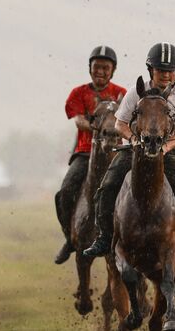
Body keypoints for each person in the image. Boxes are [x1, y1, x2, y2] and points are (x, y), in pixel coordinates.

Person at [83, 42, 175, 258]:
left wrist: (165, 149)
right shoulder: (135, 93)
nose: (166, 75)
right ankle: (103, 237)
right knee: (107, 187)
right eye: (161, 70)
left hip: (166, 151)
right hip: (133, 150)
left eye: (170, 71)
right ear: (151, 70)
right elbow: (120, 124)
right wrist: (133, 140)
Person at [54, 46, 127, 264]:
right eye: (97, 67)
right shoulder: (78, 93)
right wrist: (98, 127)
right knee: (65, 191)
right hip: (86, 153)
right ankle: (70, 238)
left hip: (116, 153)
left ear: (112, 70)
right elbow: (78, 120)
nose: (101, 72)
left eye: (105, 68)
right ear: (90, 68)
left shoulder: (122, 94)